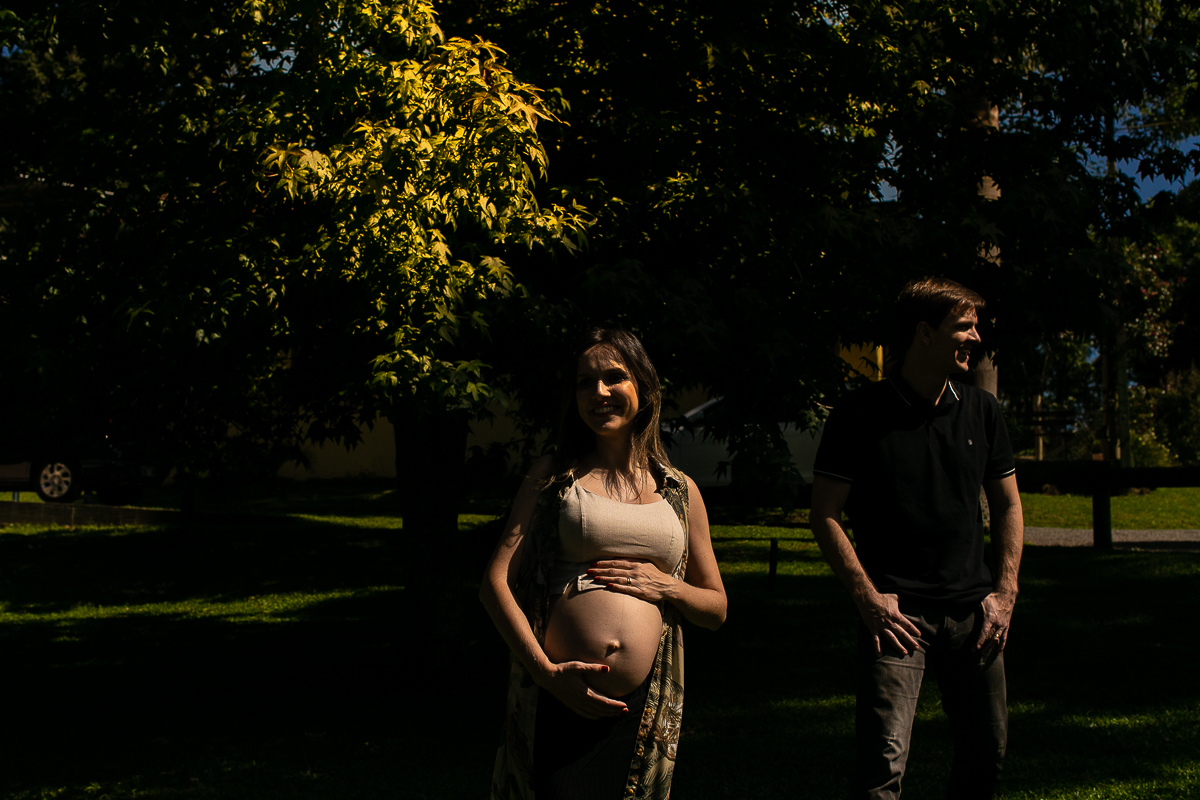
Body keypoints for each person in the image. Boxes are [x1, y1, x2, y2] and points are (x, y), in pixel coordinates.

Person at [481, 328, 727, 800]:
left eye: (615, 377)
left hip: (642, 709)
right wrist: (545, 673)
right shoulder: (554, 476)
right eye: (584, 382)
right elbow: (495, 583)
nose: (599, 392)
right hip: (560, 692)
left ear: (645, 388)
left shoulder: (680, 491)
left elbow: (716, 608)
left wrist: (666, 587)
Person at [810, 277, 1023, 800]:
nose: (975, 337)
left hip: (976, 615)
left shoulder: (982, 411)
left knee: (986, 756)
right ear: (924, 333)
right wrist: (868, 598)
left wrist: (1006, 591)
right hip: (897, 617)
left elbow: (1009, 504)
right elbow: (825, 514)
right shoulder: (858, 415)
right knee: (882, 771)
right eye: (964, 326)